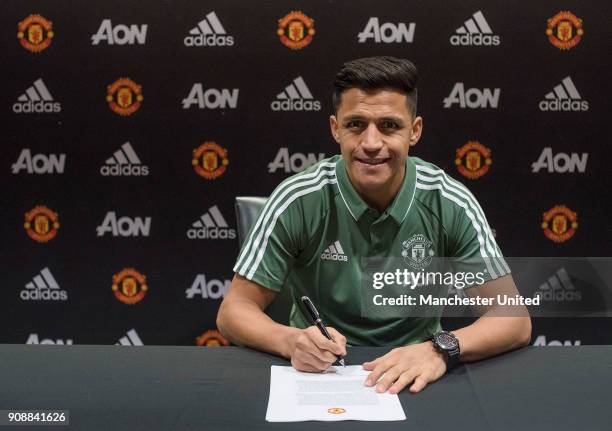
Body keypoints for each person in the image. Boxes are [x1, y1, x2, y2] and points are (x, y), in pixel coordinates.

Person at [217, 56, 531, 394]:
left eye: (389, 125)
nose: (370, 143)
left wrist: (440, 348)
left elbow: (513, 318)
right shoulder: (298, 198)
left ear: (415, 131)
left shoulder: (450, 201)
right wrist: (291, 341)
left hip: (415, 372)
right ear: (335, 128)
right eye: (355, 125)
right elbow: (233, 310)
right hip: (318, 373)